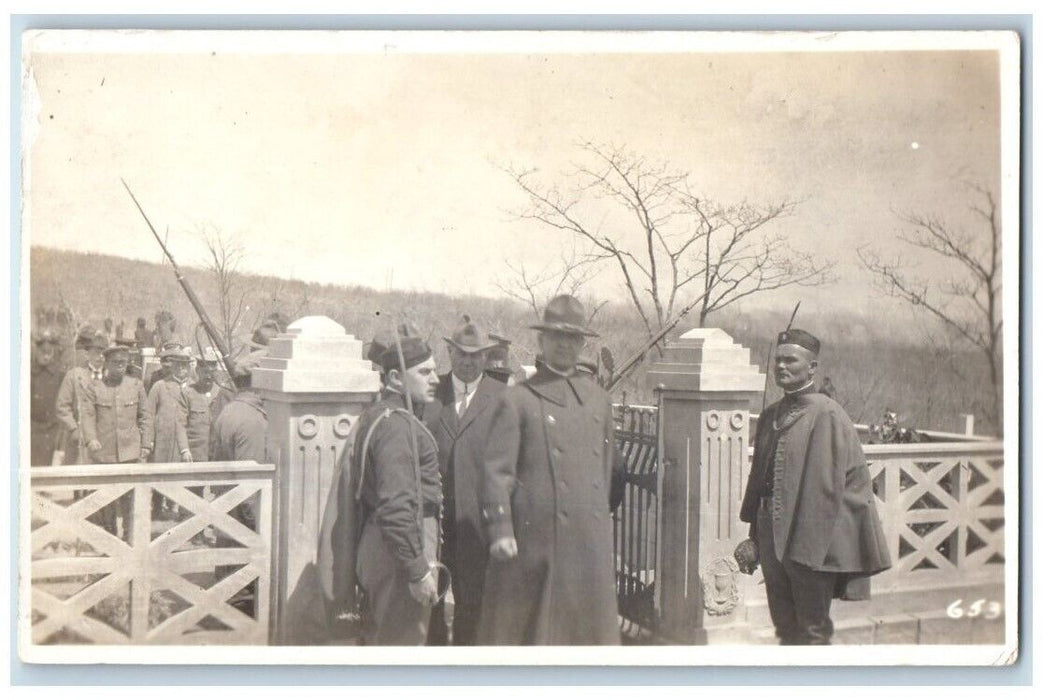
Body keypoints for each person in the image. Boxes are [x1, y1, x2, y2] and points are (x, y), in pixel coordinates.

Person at [478, 294, 620, 645]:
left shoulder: (598, 400)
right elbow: (496, 472)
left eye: (572, 338)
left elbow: (606, 472)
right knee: (538, 639)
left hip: (588, 546)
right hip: (536, 546)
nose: (564, 345)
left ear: (582, 344)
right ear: (541, 340)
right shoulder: (518, 400)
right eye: (556, 336)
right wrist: (500, 529)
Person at [735, 329, 891, 645]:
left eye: (790, 360)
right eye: (778, 360)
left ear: (812, 367)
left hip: (809, 543)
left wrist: (810, 551)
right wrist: (754, 537)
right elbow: (761, 483)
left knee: (812, 631)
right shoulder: (769, 417)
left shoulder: (828, 415)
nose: (781, 366)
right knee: (785, 628)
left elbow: (832, 492)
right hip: (769, 538)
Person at [352, 335, 443, 645]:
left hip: (388, 546)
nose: (436, 379)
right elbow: (396, 506)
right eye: (424, 372)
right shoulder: (397, 427)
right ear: (395, 378)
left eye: (435, 371)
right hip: (400, 552)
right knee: (401, 650)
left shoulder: (384, 416)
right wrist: (417, 570)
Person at [423, 315, 505, 645]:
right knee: (430, 606)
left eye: (476, 355)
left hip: (478, 527)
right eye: (461, 354)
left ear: (486, 356)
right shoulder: (430, 394)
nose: (469, 362)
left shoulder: (503, 397)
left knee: (475, 608)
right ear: (449, 352)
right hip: (435, 526)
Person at [54, 328, 107, 464]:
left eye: (103, 353)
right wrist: (73, 428)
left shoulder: (110, 378)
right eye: (96, 352)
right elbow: (62, 407)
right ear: (87, 353)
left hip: (104, 440)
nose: (100, 357)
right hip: (79, 440)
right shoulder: (74, 375)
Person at [179, 347, 226, 462]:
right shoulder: (188, 393)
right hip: (195, 454)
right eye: (205, 372)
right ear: (197, 371)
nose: (209, 376)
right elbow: (180, 424)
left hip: (218, 454)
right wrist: (184, 449)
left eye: (212, 372)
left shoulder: (222, 392)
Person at [147, 346, 192, 464]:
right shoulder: (159, 386)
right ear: (172, 366)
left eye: (185, 364)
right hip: (163, 442)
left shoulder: (194, 388)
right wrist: (148, 441)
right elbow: (149, 415)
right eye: (178, 364)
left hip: (187, 445)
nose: (182, 368)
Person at [29, 328, 65, 465]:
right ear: (36, 352)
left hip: (53, 430)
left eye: (49, 353)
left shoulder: (59, 376)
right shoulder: (29, 375)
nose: (45, 357)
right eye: (42, 353)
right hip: (33, 430)